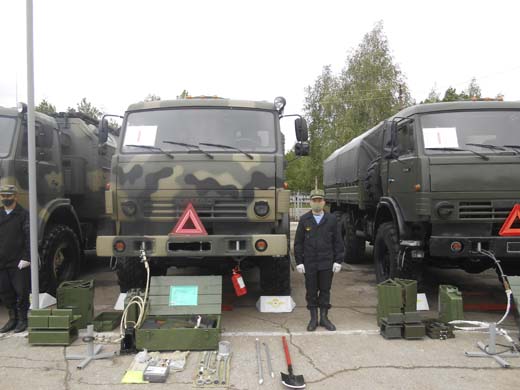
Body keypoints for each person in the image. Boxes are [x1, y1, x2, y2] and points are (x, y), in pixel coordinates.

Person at [294, 189, 344, 331]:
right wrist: (299, 262)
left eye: (319, 200)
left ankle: (324, 318)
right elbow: (298, 243)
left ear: (324, 202)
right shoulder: (304, 220)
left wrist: (338, 260)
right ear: (310, 202)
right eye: (314, 200)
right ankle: (313, 319)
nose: (317, 203)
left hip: (326, 262)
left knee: (325, 290)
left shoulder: (332, 219)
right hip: (309, 262)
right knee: (311, 291)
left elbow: (338, 241)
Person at [0, 185, 31, 333]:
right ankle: (12, 319)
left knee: (21, 292)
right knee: (5, 292)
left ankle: (23, 319)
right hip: (1, 261)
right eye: (3, 196)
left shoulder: (23, 214)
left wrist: (27, 257)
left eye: (9, 196)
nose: (6, 199)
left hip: (18, 261)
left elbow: (29, 237)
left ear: (16, 197)